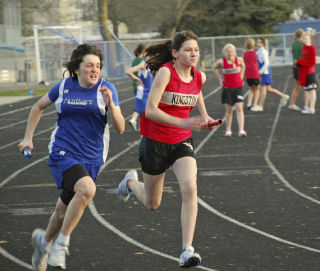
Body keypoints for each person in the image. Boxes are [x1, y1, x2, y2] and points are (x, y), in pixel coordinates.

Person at [18, 44, 125, 271]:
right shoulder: (65, 86)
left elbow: (121, 128)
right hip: (63, 151)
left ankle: (43, 242)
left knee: (61, 211)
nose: (94, 70)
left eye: (97, 66)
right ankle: (61, 244)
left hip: (92, 157)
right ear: (77, 69)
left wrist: (112, 107)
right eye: (89, 65)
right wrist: (28, 137)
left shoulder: (107, 90)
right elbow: (38, 107)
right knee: (87, 190)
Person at [117, 30, 219, 268]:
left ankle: (187, 250)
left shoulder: (199, 76)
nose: (194, 54)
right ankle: (131, 183)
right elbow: (150, 110)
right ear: (175, 53)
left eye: (196, 50)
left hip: (181, 142)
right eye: (188, 50)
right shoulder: (165, 72)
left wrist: (204, 116)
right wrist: (184, 121)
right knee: (153, 203)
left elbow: (197, 91)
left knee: (190, 187)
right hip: (154, 142)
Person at [213, 43, 247, 137]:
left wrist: (241, 76)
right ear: (225, 52)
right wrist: (220, 79)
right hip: (227, 88)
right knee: (229, 110)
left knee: (240, 109)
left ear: (234, 52)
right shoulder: (222, 62)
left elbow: (243, 66)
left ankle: (241, 130)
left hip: (238, 88)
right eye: (228, 51)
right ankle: (228, 130)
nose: (230, 53)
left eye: (231, 51)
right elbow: (214, 68)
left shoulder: (239, 60)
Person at [251, 38, 290, 112]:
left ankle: (260, 106)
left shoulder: (264, 52)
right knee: (268, 89)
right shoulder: (259, 51)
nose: (258, 43)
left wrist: (260, 72)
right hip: (264, 72)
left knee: (263, 90)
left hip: (265, 72)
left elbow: (267, 63)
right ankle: (284, 96)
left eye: (259, 42)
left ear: (263, 43)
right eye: (257, 42)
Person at [126, 60, 154, 131]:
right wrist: (138, 79)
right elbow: (128, 72)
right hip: (142, 91)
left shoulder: (154, 64)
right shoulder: (144, 64)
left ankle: (133, 120)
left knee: (142, 110)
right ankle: (134, 121)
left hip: (148, 92)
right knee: (144, 110)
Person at [296, 34, 317, 114]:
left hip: (310, 72)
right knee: (307, 90)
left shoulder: (312, 48)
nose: (305, 40)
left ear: (310, 39)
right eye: (304, 39)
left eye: (306, 39)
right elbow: (303, 59)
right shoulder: (303, 48)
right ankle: (309, 108)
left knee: (312, 90)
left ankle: (312, 108)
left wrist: (300, 62)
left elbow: (312, 62)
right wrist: (298, 63)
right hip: (304, 73)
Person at [288, 29, 305, 111]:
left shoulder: (294, 44)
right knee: (307, 87)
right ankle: (307, 106)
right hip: (301, 67)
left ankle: (292, 103)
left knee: (297, 87)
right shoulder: (302, 44)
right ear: (302, 36)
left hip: (295, 67)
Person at [243, 39, 260, 110]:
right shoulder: (256, 53)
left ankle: (249, 103)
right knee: (257, 89)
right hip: (255, 73)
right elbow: (257, 63)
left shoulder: (244, 54)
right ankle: (255, 104)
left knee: (251, 89)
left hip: (248, 74)